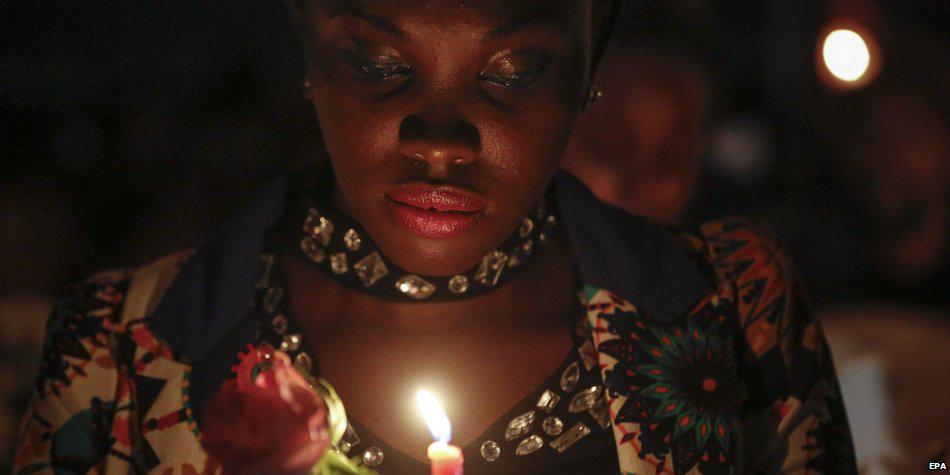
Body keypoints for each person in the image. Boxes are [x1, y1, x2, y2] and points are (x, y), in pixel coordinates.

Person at [12, 1, 855, 473]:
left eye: (516, 70)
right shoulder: (120, 347)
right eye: (377, 63)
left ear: (588, 69)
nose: (441, 136)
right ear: (307, 51)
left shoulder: (734, 305)